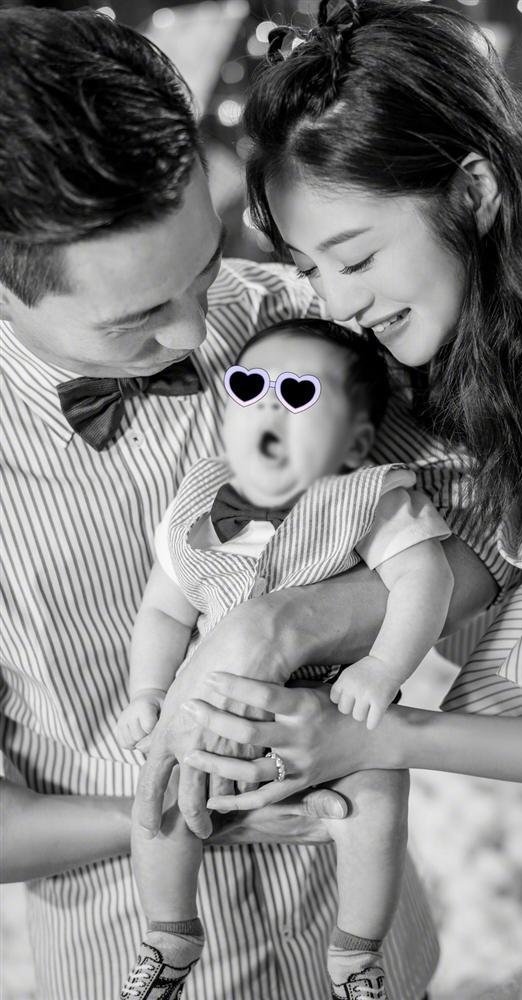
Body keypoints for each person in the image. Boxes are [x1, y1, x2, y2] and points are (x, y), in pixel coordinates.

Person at [0, 7, 513, 1000]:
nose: (198, 334)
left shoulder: (304, 324)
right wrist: (174, 812)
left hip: (371, 952)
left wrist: (291, 622)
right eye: (140, 318)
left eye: (204, 266)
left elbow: (503, 532)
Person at [148, 0, 522, 862]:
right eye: (311, 268)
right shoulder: (468, 341)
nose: (339, 300)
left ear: (474, 191)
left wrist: (376, 736)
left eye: (355, 258)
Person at [116, 318, 452, 998]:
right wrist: (148, 691)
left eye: (298, 393)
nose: (270, 406)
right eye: (250, 387)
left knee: (376, 801)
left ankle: (356, 955)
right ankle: (169, 936)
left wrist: (383, 667)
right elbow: (164, 611)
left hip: (330, 706)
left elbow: (428, 580)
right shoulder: (196, 503)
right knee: (159, 801)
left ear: (354, 443)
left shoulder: (369, 497)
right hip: (209, 714)